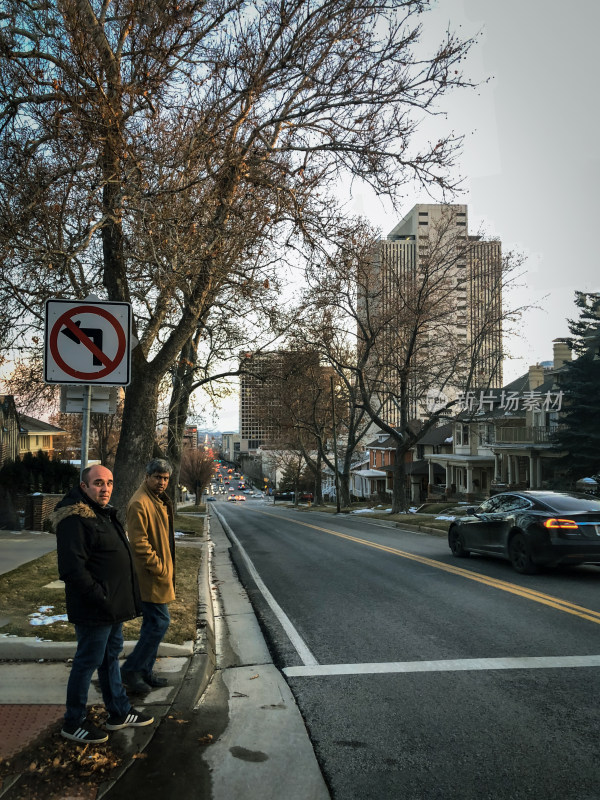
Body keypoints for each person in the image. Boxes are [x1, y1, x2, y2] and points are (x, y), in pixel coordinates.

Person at [51, 464, 154, 744]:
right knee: (88, 662)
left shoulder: (102, 513)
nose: (105, 488)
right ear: (84, 487)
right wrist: (101, 596)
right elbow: (72, 569)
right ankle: (73, 722)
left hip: (111, 606)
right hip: (94, 607)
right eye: (98, 483)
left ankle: (118, 711)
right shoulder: (75, 518)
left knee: (110, 657)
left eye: (109, 483)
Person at [120, 458, 175, 694]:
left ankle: (145, 672)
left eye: (165, 479)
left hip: (158, 574)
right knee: (160, 622)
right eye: (157, 478)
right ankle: (131, 670)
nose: (162, 482)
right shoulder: (139, 503)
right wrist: (159, 567)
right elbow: (139, 543)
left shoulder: (157, 500)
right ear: (147, 477)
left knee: (152, 625)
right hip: (149, 575)